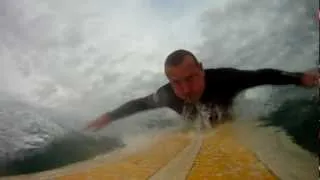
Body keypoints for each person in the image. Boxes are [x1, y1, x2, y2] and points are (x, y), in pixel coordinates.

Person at [86, 49, 320, 131]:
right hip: (194, 124)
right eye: (177, 82)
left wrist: (300, 78)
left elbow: (263, 75)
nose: (185, 89)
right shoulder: (167, 94)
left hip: (227, 120)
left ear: (201, 69)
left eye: (191, 78)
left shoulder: (225, 78)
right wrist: (109, 117)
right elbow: (137, 104)